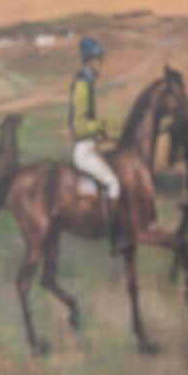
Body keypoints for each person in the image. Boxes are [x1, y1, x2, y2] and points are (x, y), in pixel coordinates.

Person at [67, 35, 124, 253]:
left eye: (100, 58)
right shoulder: (82, 84)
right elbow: (79, 125)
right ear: (88, 61)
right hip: (84, 151)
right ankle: (115, 237)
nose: (100, 63)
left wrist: (100, 135)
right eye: (97, 59)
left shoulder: (87, 82)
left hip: (90, 145)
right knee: (113, 183)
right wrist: (99, 126)